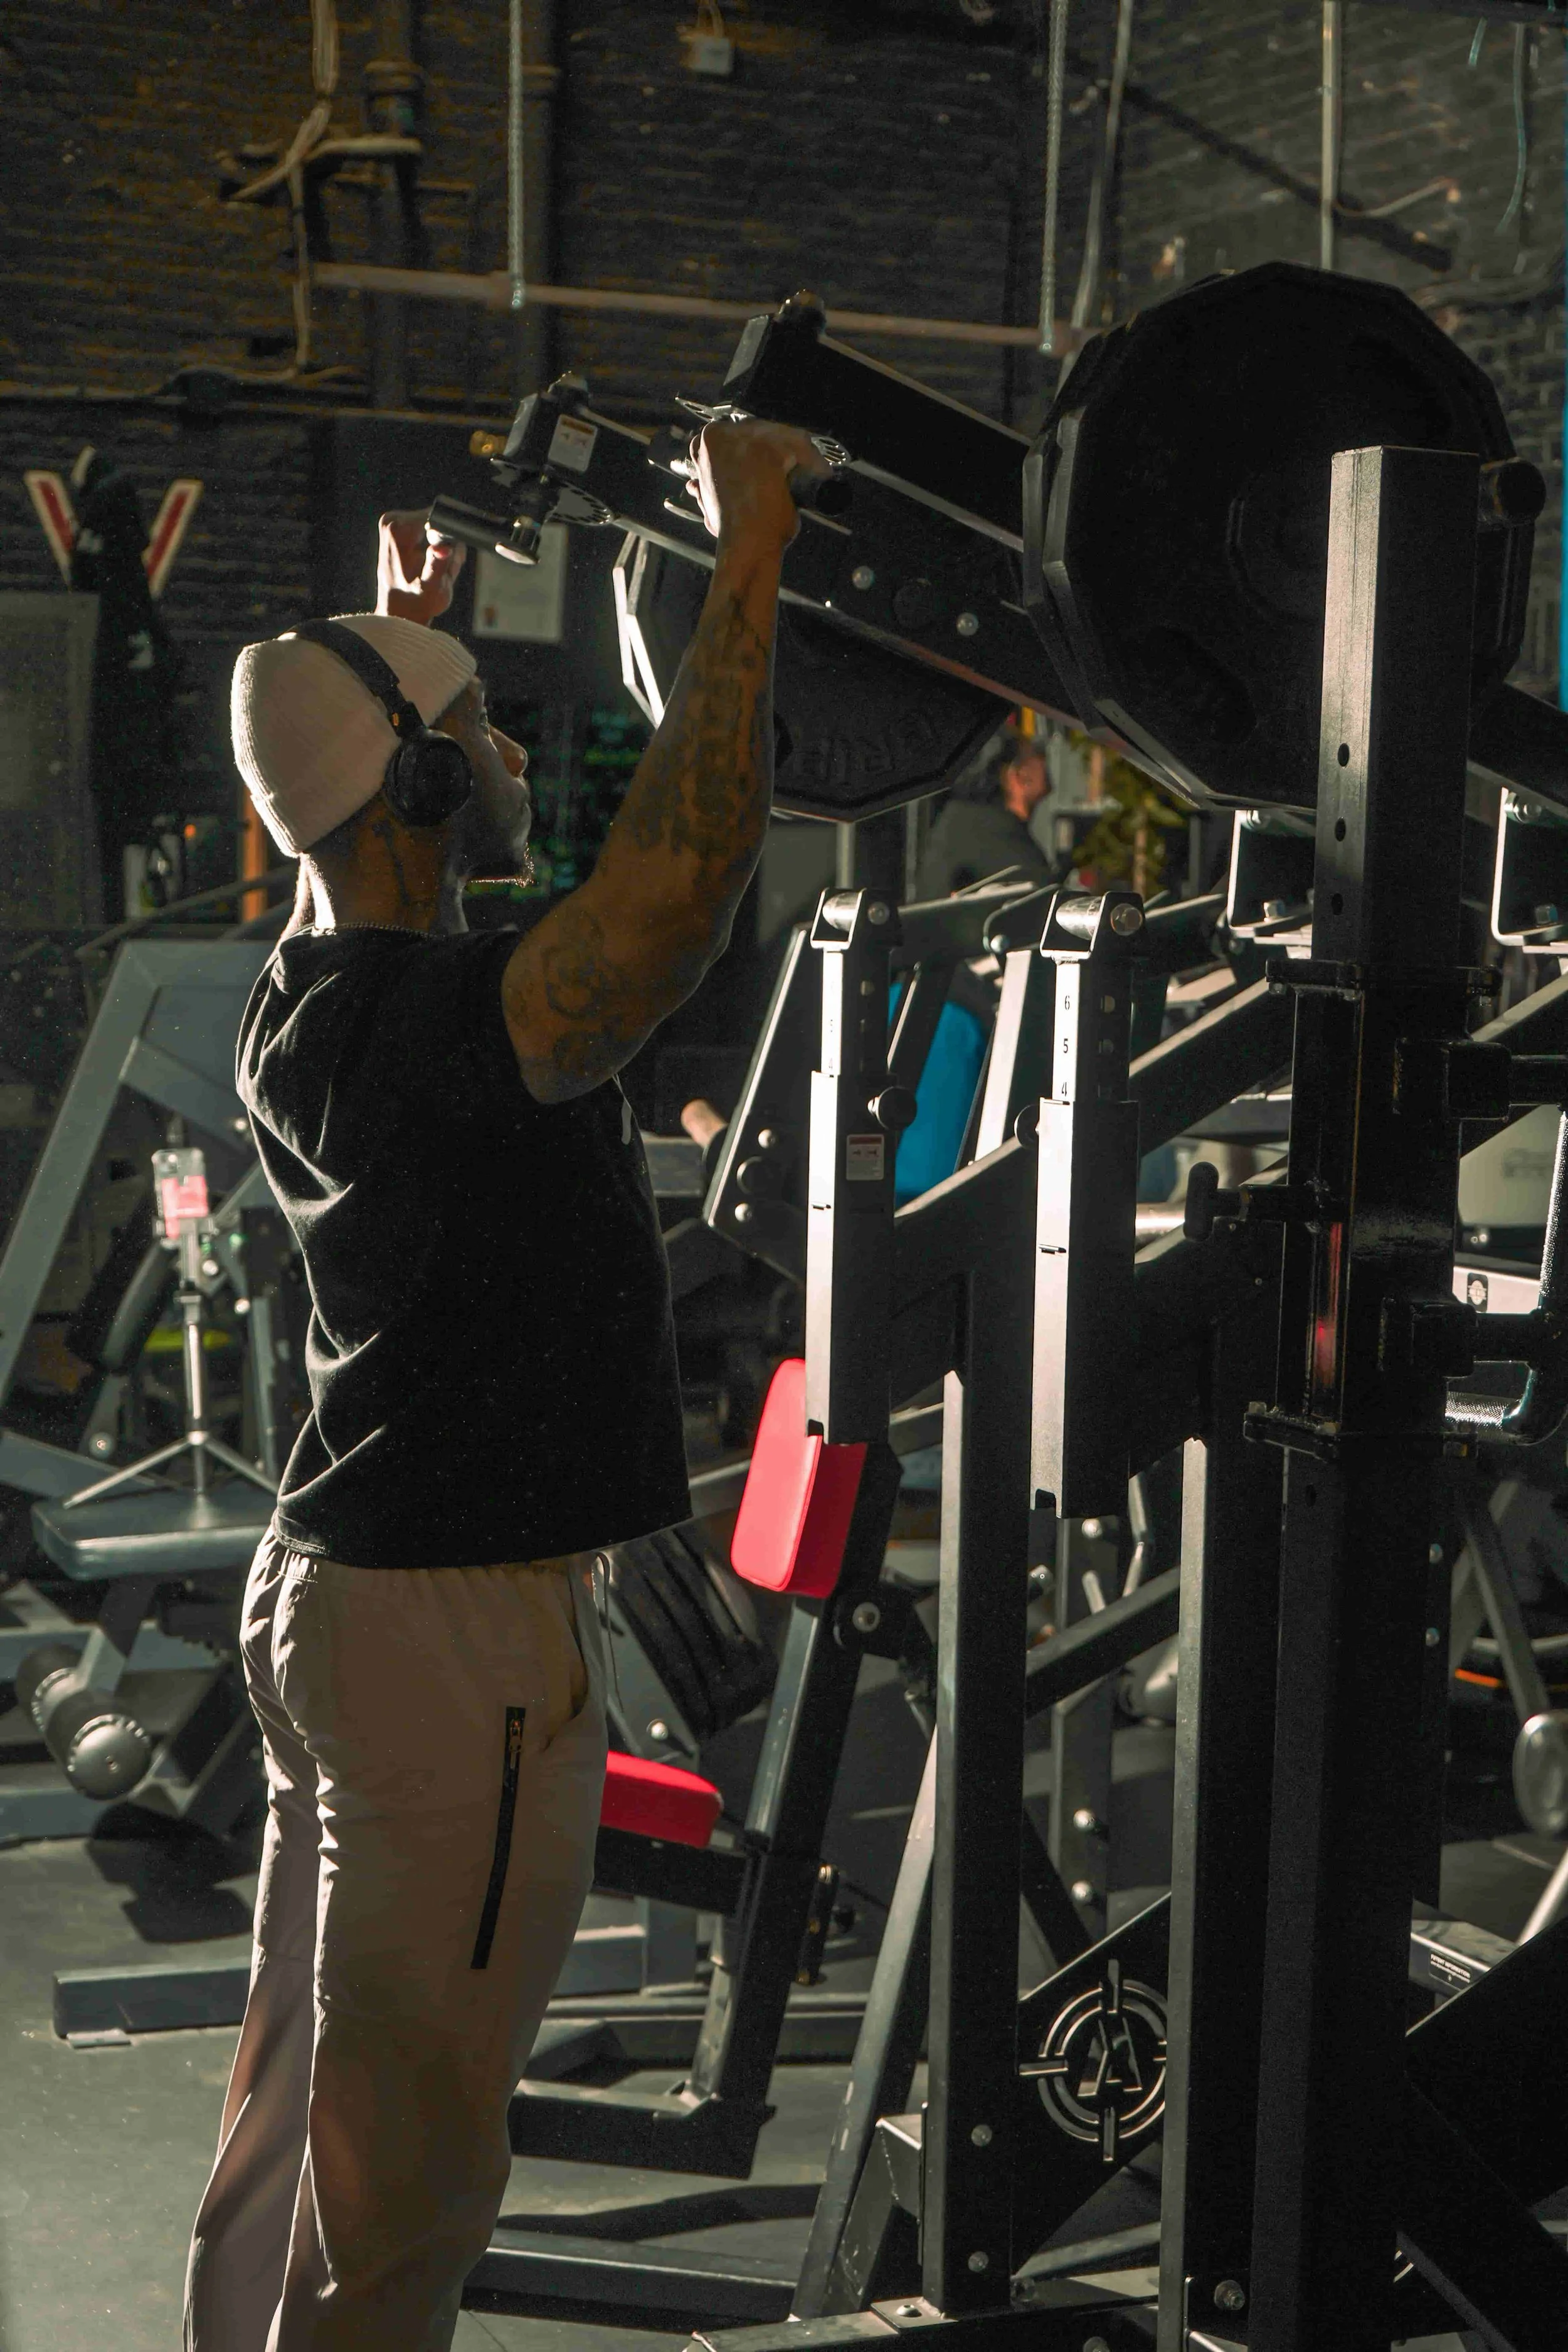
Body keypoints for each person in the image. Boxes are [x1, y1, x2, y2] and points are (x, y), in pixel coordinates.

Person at [183, 416, 827, 2352]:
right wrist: (753, 547)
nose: (529, 768)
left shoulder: (317, 985)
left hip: (344, 1598)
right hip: (448, 1642)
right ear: (423, 790)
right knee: (407, 2194)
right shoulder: (448, 1025)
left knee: (305, 2115)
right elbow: (683, 877)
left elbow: (369, 842)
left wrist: (402, 646)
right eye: (494, 741)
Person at [913, 726, 1053, 903]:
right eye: (1038, 754)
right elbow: (1045, 898)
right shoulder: (991, 834)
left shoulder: (966, 822)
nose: (1045, 762)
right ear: (1019, 775)